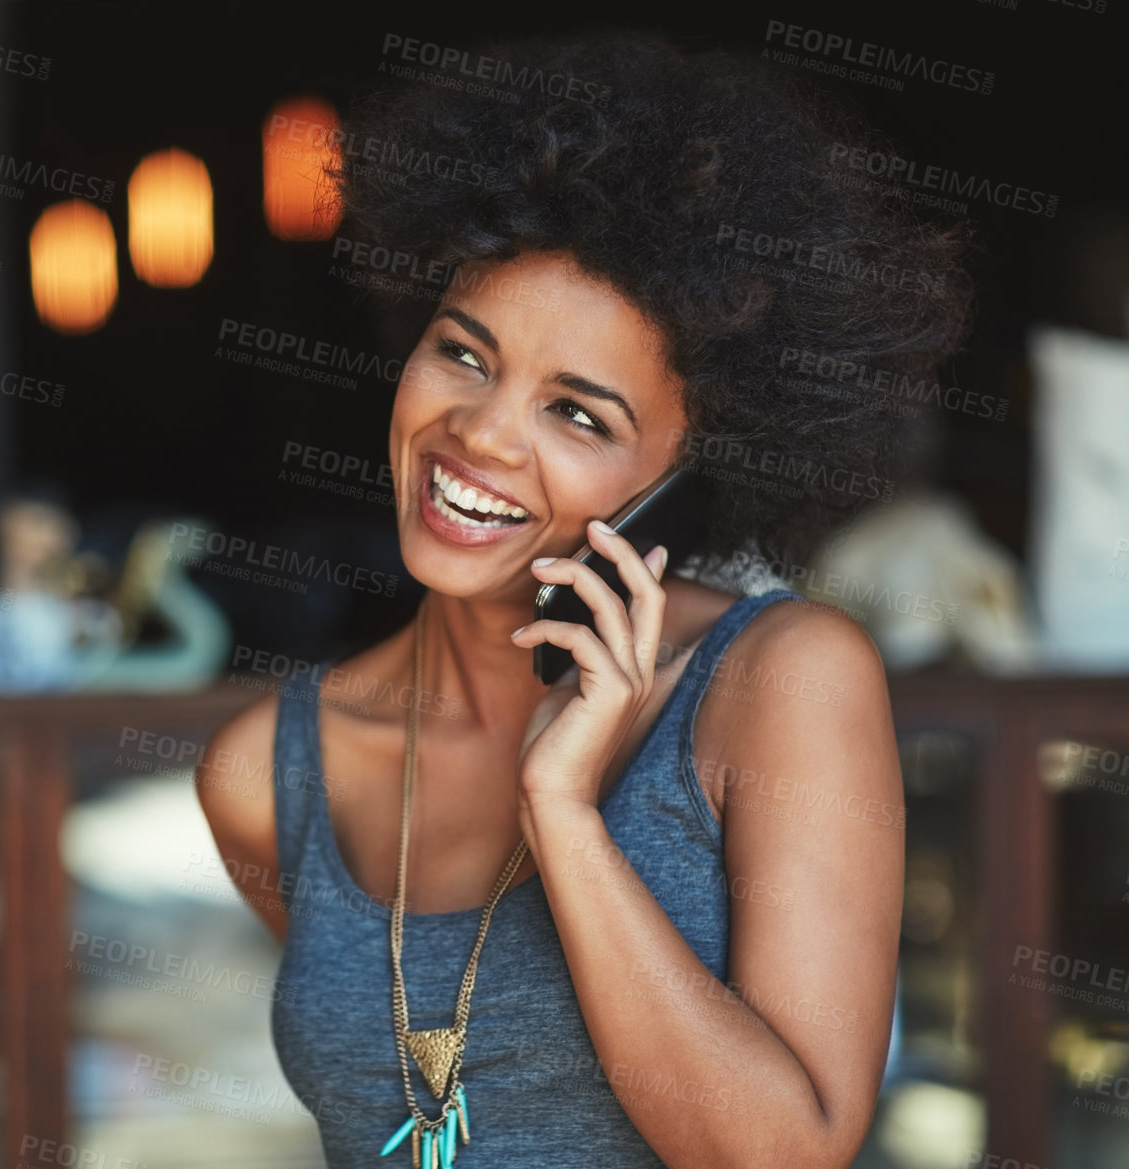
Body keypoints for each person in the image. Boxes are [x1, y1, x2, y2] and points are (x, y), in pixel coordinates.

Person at [194, 29, 973, 1169]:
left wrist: (559, 809)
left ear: (679, 476)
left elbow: (779, 1151)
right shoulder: (268, 767)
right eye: (463, 354)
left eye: (578, 415)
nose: (481, 435)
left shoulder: (775, 682)